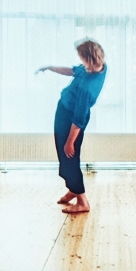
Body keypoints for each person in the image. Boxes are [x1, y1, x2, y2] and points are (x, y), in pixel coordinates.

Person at [35, 39, 107, 214]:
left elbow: (79, 118)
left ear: (89, 58)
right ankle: (73, 190)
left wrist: (70, 142)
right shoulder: (97, 66)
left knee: (69, 157)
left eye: (81, 57)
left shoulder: (88, 88)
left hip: (71, 119)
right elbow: (73, 71)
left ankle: (82, 201)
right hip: (65, 111)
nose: (80, 60)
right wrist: (50, 67)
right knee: (65, 156)